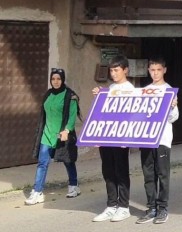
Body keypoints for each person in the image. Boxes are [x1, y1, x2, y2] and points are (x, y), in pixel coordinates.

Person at [25, 68, 81, 206]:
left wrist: (67, 130)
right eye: (53, 79)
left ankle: (74, 185)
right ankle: (37, 192)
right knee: (42, 163)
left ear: (63, 80)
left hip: (62, 134)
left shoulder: (70, 95)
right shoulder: (48, 94)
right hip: (47, 135)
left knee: (68, 161)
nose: (56, 82)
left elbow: (72, 116)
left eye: (58, 79)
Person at [136, 58, 179, 225]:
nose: (155, 73)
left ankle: (162, 208)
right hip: (146, 138)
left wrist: (173, 106)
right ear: (148, 70)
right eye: (152, 70)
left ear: (164, 70)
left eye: (158, 70)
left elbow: (173, 118)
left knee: (162, 174)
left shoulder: (169, 91)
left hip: (162, 140)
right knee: (148, 175)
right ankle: (151, 207)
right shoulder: (144, 91)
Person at [91, 55, 134, 222]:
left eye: (117, 70)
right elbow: (103, 113)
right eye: (111, 70)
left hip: (121, 137)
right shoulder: (110, 88)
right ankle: (111, 205)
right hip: (107, 136)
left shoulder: (130, 90)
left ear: (125, 70)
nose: (113, 73)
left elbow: (132, 115)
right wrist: (99, 96)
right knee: (108, 170)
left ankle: (123, 207)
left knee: (121, 170)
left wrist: (128, 138)